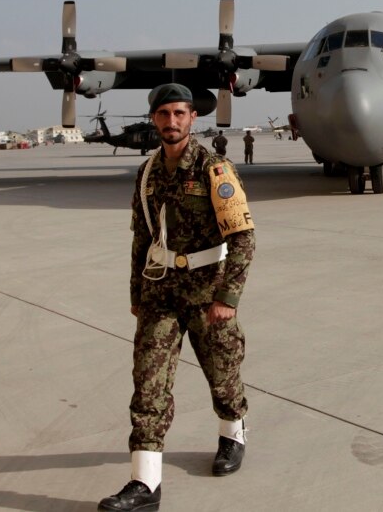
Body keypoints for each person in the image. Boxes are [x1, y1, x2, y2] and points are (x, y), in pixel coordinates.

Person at [99, 83, 255, 511]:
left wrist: (228, 296)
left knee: (222, 374)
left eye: (179, 113)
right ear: (153, 119)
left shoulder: (214, 168)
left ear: (192, 118)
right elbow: (141, 238)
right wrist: (136, 291)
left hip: (208, 293)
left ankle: (232, 434)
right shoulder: (148, 172)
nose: (172, 121)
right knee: (148, 384)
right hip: (160, 293)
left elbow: (243, 238)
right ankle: (145, 484)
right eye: (164, 114)